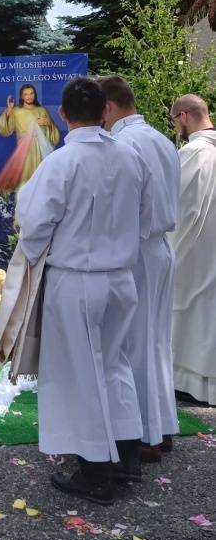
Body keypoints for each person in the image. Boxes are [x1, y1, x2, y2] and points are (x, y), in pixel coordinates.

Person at [15, 77, 152, 504]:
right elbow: (144, 215)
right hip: (121, 277)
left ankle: (95, 473)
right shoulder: (131, 156)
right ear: (105, 110)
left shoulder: (61, 162)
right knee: (115, 364)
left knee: (80, 373)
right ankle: (128, 454)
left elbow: (34, 224)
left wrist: (38, 256)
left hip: (77, 278)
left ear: (62, 113)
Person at [99, 76, 181, 460]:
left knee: (132, 342)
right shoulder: (163, 139)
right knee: (157, 339)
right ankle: (161, 426)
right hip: (161, 247)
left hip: (137, 248)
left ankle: (145, 434)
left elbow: (120, 206)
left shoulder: (123, 143)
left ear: (109, 107)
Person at [168, 94, 216, 405]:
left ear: (184, 116)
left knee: (194, 314)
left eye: (175, 122)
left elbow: (173, 206)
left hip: (197, 249)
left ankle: (193, 383)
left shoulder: (194, 153)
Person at [0, 84, 61, 193]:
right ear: (21, 97)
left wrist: (48, 124)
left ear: (35, 94)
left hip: (41, 150)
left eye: (32, 93)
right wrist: (9, 110)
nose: (29, 96)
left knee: (42, 179)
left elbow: (53, 134)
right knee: (25, 179)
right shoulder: (16, 111)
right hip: (24, 151)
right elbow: (2, 128)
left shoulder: (42, 110)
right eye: (26, 94)